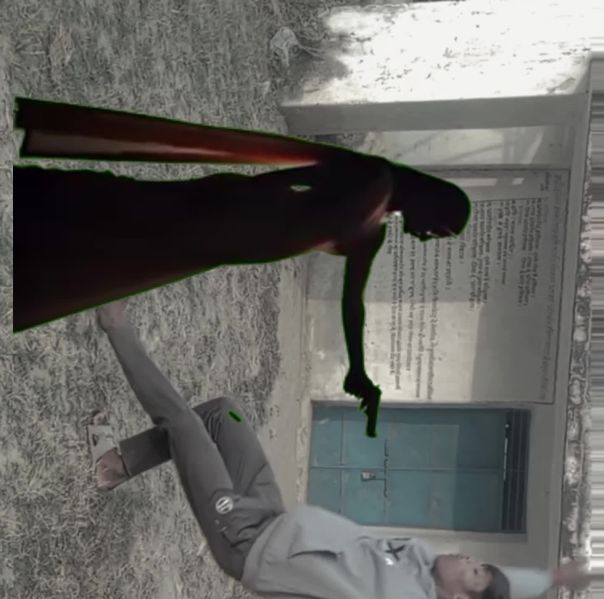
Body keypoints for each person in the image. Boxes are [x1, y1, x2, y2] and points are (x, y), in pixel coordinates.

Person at [90, 299, 588, 599]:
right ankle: (119, 464)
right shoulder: (421, 561)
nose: (469, 559)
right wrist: (552, 579)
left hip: (246, 542)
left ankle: (115, 325)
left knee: (184, 425)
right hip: (271, 514)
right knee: (224, 414)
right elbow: (504, 583)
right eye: (478, 563)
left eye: (474, 571)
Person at [13, 97, 471, 437]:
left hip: (221, 242)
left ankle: (33, 244)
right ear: (433, 200)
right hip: (219, 216)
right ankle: (30, 203)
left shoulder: (373, 233)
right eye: (440, 229)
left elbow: (354, 303)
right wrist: (237, 202)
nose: (429, 236)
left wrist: (359, 370)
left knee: (120, 247)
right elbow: (294, 176)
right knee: (122, 211)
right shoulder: (373, 179)